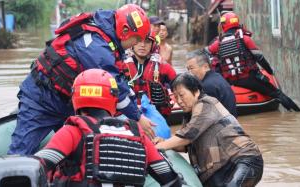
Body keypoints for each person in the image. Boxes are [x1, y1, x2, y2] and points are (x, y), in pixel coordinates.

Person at [9, 4, 155, 156]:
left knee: (83, 154)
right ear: (125, 31)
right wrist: (138, 117)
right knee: (20, 152)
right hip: (41, 99)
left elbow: (120, 81)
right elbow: (115, 86)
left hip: (68, 104)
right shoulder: (96, 46)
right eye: (136, 39)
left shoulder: (108, 33)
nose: (137, 43)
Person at [34, 69, 182, 187]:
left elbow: (36, 166)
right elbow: (169, 178)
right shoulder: (137, 134)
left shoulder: (72, 131)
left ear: (75, 97)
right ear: (114, 98)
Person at [155, 73, 263, 187]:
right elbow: (184, 145)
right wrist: (163, 141)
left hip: (242, 160)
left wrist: (155, 148)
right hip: (219, 169)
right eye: (176, 97)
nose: (179, 101)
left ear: (196, 92)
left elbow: (186, 137)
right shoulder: (189, 116)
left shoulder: (206, 104)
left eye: (182, 95)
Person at [207, 12, 300, 112]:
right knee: (277, 93)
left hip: (231, 81)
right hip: (249, 79)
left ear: (223, 25)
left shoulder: (217, 44)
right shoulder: (245, 39)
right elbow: (259, 58)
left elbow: (207, 53)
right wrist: (269, 71)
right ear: (237, 23)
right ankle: (296, 112)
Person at [118, 31, 176, 117]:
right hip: (129, 115)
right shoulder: (121, 66)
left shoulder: (163, 66)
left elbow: (179, 87)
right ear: (132, 43)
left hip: (156, 115)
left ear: (153, 45)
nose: (142, 45)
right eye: (139, 40)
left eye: (147, 41)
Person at [186, 49, 237, 117]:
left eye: (191, 68)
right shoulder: (217, 76)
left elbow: (204, 117)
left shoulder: (207, 86)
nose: (189, 73)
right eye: (188, 69)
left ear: (205, 66)